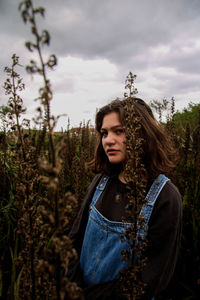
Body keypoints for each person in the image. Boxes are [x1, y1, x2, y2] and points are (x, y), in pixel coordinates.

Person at [68, 97, 182, 300]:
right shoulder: (100, 183)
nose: (108, 140)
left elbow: (152, 276)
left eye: (119, 131)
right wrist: (72, 288)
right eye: (104, 133)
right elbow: (75, 239)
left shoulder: (165, 196)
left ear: (143, 134)